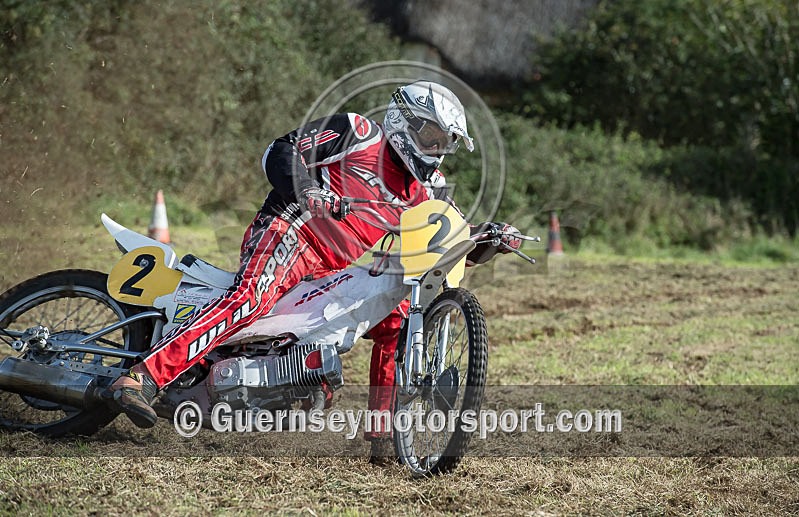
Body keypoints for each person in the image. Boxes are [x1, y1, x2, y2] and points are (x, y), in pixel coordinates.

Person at [108, 81, 521, 460]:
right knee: (251, 298)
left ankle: (383, 438)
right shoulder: (360, 133)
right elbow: (281, 150)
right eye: (432, 137)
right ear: (405, 121)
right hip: (290, 229)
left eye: (445, 143)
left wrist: (492, 238)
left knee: (396, 318)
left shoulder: (430, 189)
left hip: (329, 266)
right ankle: (141, 377)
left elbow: (451, 241)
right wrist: (308, 190)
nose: (437, 150)